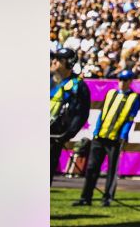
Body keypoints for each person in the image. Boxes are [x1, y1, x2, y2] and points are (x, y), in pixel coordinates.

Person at [74, 69, 140, 206]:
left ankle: (107, 198)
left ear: (130, 81)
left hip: (115, 139)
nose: (121, 83)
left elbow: (130, 118)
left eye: (125, 80)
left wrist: (123, 135)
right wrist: (96, 131)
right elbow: (102, 113)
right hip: (100, 136)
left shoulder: (135, 97)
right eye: (120, 79)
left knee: (111, 170)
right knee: (92, 167)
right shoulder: (111, 93)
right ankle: (86, 197)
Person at [50, 47, 90, 183]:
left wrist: (65, 135)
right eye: (54, 58)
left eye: (59, 60)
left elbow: (81, 114)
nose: (54, 62)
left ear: (69, 63)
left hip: (53, 137)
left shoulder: (77, 85)